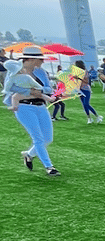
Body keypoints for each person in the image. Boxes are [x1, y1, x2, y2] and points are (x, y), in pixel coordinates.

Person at [3, 45, 61, 175]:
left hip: (41, 106)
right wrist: (30, 91)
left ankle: (28, 155)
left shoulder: (41, 72)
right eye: (40, 59)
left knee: (48, 138)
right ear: (31, 59)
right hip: (24, 107)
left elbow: (48, 89)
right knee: (38, 138)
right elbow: (9, 88)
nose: (42, 61)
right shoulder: (15, 71)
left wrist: (38, 92)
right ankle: (49, 167)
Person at [74, 60, 103, 124]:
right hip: (80, 89)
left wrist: (79, 78)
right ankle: (89, 118)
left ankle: (97, 116)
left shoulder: (85, 72)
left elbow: (86, 81)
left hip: (86, 89)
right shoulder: (77, 72)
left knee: (86, 104)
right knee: (84, 105)